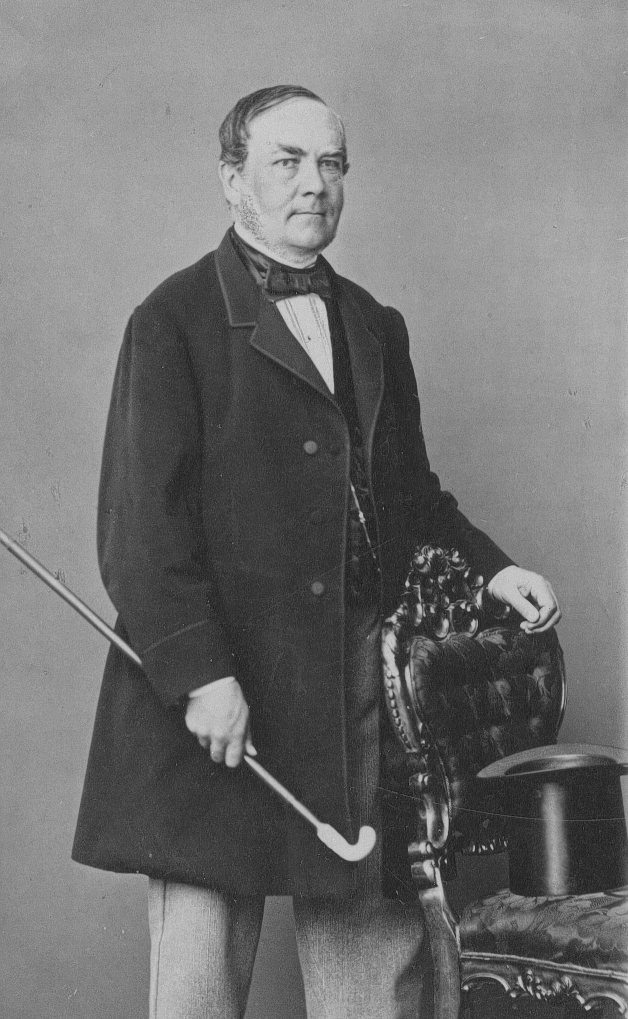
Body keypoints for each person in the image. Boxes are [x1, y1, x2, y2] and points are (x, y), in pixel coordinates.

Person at [72, 85, 561, 1019]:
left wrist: (494, 568)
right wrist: (200, 677)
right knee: (198, 982)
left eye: (331, 163)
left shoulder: (375, 324)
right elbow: (140, 530)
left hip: (355, 693)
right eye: (287, 162)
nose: (315, 184)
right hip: (219, 695)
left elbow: (412, 501)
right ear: (232, 180)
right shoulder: (170, 319)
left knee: (374, 980)